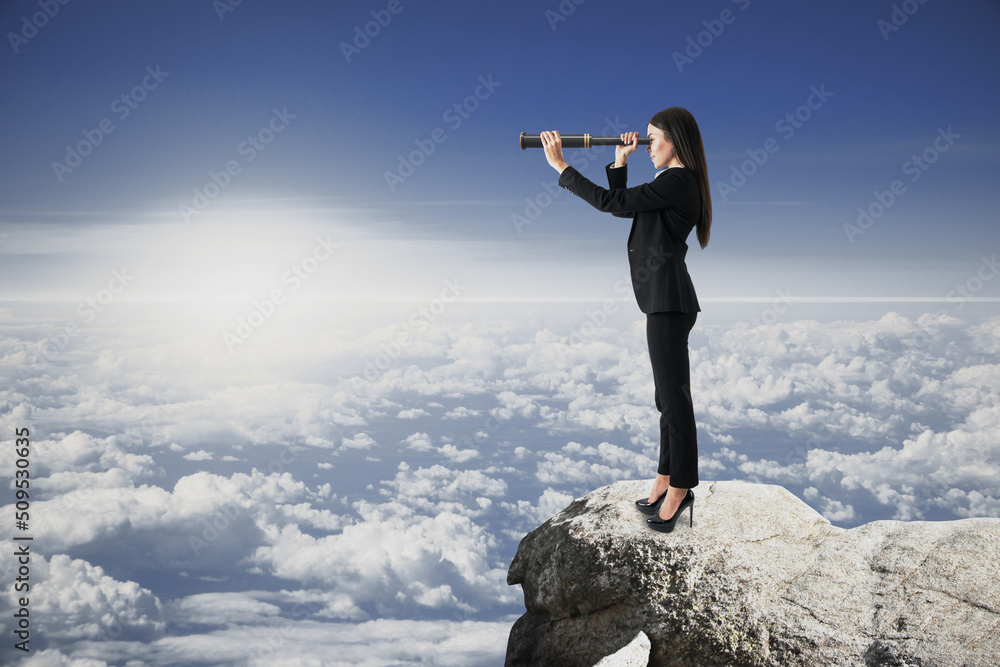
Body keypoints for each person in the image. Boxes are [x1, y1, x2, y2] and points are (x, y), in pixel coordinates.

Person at [538, 106, 711, 534]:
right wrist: (620, 163)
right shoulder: (669, 183)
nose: (649, 146)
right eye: (647, 138)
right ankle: (665, 479)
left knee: (675, 402)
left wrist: (562, 165)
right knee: (665, 400)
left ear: (676, 140)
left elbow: (608, 202)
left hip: (669, 303)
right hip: (663, 302)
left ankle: (681, 489)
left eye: (655, 139)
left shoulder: (678, 180)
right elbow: (624, 209)